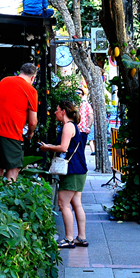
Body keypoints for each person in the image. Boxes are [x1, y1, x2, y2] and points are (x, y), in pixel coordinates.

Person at [39, 100, 88, 248]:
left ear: (63, 111)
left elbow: (63, 148)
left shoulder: (67, 126)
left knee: (63, 203)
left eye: (57, 109)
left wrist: (47, 148)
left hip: (71, 170)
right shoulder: (74, 126)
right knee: (76, 203)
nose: (55, 112)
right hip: (79, 169)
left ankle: (68, 238)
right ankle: (81, 237)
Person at [0, 63, 39, 181]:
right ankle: (10, 191)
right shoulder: (31, 90)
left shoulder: (4, 80)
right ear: (33, 78)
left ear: (20, 72)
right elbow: (33, 122)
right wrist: (30, 132)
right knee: (13, 168)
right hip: (11, 131)